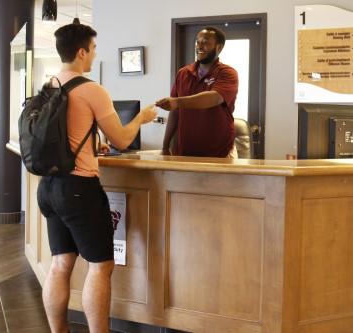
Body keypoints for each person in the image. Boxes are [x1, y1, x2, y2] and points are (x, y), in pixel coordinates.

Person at [36, 23, 156, 333]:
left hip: (48, 188)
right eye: (93, 48)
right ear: (81, 52)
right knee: (101, 266)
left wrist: (91, 142)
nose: (94, 54)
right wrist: (142, 118)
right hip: (79, 189)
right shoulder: (92, 89)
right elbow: (122, 140)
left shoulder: (48, 86)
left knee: (61, 264)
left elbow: (64, 134)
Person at [156, 26, 238, 158]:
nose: (200, 46)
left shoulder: (227, 73)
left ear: (219, 47)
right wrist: (165, 146)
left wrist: (177, 102)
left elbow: (215, 98)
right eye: (198, 42)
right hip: (186, 151)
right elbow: (175, 113)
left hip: (220, 152)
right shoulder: (183, 73)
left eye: (205, 42)